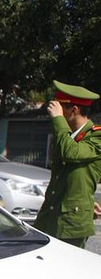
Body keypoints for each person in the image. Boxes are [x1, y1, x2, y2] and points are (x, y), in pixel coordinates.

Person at [33, 80, 101, 248]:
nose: (54, 113)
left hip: (71, 223)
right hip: (50, 215)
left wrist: (58, 120)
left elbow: (71, 153)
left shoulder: (96, 136)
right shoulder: (67, 135)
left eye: (60, 108)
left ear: (74, 110)